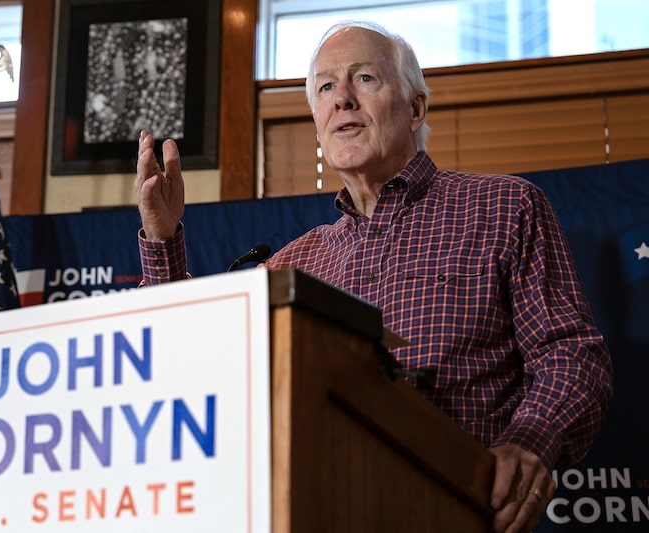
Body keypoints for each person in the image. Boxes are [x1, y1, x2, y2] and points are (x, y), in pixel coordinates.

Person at [134, 20, 613, 533]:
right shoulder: (293, 266)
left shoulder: (504, 207)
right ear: (318, 123)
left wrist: (530, 441)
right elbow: (200, 371)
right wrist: (163, 241)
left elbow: (570, 354)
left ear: (415, 108)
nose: (341, 99)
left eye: (363, 78)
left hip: (459, 510)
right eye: (324, 87)